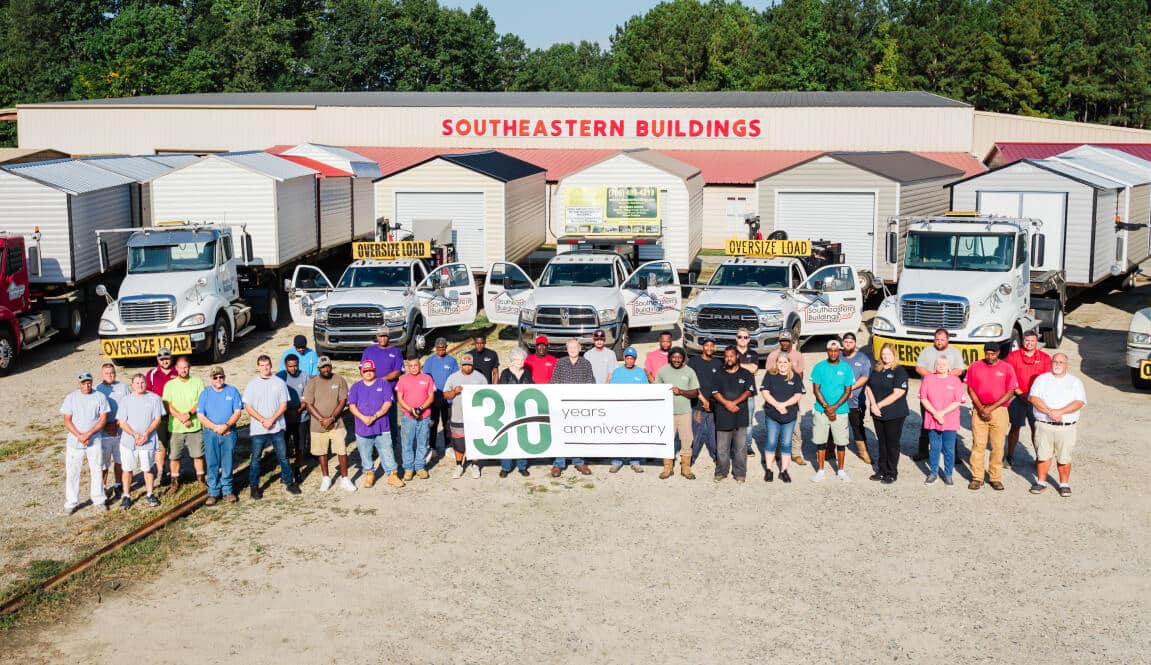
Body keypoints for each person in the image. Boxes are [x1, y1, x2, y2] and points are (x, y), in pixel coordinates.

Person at [1028, 353, 1086, 497]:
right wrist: (1050, 412)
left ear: (1066, 365)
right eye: (1055, 361)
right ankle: (1041, 481)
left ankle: (1064, 484)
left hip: (1066, 427)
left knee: (1064, 456)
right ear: (1051, 363)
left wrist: (1060, 412)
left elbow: (1079, 402)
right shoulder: (1042, 379)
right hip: (1044, 424)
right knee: (1043, 455)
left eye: (1061, 362)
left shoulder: (1075, 381)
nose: (1058, 364)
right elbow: (1034, 398)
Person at [244, 355, 300, 499]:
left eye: (267, 365)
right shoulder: (252, 384)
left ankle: (289, 482)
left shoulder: (279, 383)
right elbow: (248, 407)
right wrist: (263, 420)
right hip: (258, 429)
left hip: (277, 428)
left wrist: (272, 419)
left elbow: (284, 405)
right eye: (262, 365)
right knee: (256, 459)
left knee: (283, 456)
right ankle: (254, 486)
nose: (265, 368)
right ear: (258, 367)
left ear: (271, 365)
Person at [965, 343, 1018, 491]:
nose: (990, 356)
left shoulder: (1007, 368)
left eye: (993, 354)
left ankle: (995, 477)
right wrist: (981, 408)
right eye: (987, 353)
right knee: (978, 445)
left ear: (999, 353)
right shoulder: (975, 366)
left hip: (999, 410)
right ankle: (977, 477)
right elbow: (970, 388)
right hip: (979, 409)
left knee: (998, 446)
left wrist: (991, 408)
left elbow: (1010, 392)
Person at [348, 360, 403, 489]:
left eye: (370, 370)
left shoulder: (383, 384)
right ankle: (369, 473)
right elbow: (352, 406)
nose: (368, 373)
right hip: (362, 427)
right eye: (365, 371)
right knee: (365, 452)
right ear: (361, 372)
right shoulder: (356, 387)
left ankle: (392, 474)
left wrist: (375, 416)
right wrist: (363, 418)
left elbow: (387, 403)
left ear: (375, 371)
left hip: (381, 426)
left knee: (386, 450)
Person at [61, 371, 110, 514]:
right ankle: (71, 502)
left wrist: (88, 434)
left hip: (94, 440)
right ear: (79, 383)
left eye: (89, 382)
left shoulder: (100, 397)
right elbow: (67, 420)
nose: (86, 385)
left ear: (92, 382)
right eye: (84, 383)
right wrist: (79, 435)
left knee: (96, 469)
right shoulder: (71, 398)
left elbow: (102, 419)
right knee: (73, 471)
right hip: (75, 442)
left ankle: (99, 499)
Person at [913, 329, 966, 462]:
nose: (939, 342)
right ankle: (923, 451)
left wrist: (944, 377)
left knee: (950, 426)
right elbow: (919, 368)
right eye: (937, 339)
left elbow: (959, 370)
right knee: (927, 423)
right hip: (930, 394)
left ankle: (954, 454)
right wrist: (934, 377)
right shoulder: (927, 351)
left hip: (948, 396)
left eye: (942, 339)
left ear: (947, 339)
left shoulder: (955, 352)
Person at [303, 356, 353, 492]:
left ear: (331, 366)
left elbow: (343, 401)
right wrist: (321, 419)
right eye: (323, 367)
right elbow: (308, 404)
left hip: (336, 423)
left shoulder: (339, 380)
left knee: (341, 450)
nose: (326, 369)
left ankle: (345, 478)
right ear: (318, 368)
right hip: (317, 425)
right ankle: (326, 477)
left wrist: (331, 418)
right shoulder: (312, 383)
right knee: (321, 451)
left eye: (328, 366)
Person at [115, 373, 164, 509]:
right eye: (137, 383)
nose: (140, 385)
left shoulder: (154, 398)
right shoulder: (126, 400)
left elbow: (157, 419)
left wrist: (146, 434)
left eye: (142, 382)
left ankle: (150, 493)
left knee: (147, 469)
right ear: (132, 385)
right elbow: (122, 422)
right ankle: (126, 495)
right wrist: (135, 435)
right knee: (127, 469)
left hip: (148, 441)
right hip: (129, 442)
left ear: (146, 383)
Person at [196, 366, 244, 505]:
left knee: (227, 462)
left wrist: (226, 426)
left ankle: (228, 491)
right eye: (215, 377)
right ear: (211, 379)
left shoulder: (232, 391)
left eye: (221, 377)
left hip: (229, 432)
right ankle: (213, 492)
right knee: (212, 463)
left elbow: (237, 412)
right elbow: (200, 415)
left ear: (224, 377)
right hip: (211, 433)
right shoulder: (205, 394)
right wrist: (216, 427)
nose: (218, 380)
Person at [810, 340, 856, 482]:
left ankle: (841, 470)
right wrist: (826, 406)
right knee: (821, 441)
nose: (833, 353)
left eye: (836, 350)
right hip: (821, 410)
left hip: (840, 411)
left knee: (841, 442)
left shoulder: (846, 368)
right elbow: (815, 389)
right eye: (830, 350)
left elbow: (848, 390)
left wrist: (834, 407)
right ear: (827, 351)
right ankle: (821, 470)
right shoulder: (819, 367)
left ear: (840, 351)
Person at [1005, 331, 1052, 467]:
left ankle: (1039, 458)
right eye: (1027, 341)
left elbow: (1046, 381)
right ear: (1022, 341)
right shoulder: (1013, 356)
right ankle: (1010, 456)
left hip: (1036, 400)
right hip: (1017, 397)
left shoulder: (1045, 358)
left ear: (1037, 342)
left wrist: (1033, 397)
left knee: (1036, 429)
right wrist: (1020, 393)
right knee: (1014, 428)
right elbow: (1009, 378)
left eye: (1032, 341)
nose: (1029, 343)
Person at [865, 344, 910, 484]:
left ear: (894, 355)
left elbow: (898, 393)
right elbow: (868, 387)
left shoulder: (899, 371)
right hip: (877, 412)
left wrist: (879, 405)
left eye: (888, 354)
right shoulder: (876, 369)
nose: (885, 357)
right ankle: (881, 470)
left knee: (892, 443)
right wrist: (873, 405)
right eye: (883, 354)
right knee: (881, 443)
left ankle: (891, 472)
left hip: (894, 413)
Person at [551, 338, 595, 476]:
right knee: (562, 434)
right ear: (567, 349)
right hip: (563, 406)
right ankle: (558, 463)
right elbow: (554, 383)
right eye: (570, 347)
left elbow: (590, 384)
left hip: (579, 406)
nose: (572, 350)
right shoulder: (560, 363)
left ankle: (579, 462)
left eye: (575, 347)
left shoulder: (586, 363)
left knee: (578, 434)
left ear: (580, 348)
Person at [161, 356, 206, 494]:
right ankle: (174, 483)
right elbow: (167, 404)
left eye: (185, 367)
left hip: (194, 426)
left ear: (189, 367)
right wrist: (180, 416)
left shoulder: (197, 382)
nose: (183, 370)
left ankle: (201, 480)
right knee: (174, 456)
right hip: (176, 427)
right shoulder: (170, 385)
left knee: (198, 455)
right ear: (176, 368)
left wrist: (188, 414)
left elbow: (201, 401)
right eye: (180, 368)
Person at [919, 356, 965, 485]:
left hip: (950, 420)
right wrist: (935, 413)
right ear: (935, 366)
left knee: (949, 448)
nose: (941, 366)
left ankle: (948, 474)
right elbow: (923, 398)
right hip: (932, 419)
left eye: (944, 364)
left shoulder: (955, 380)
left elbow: (958, 401)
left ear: (949, 367)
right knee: (934, 447)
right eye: (938, 363)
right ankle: (933, 472)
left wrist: (942, 413)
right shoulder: (928, 379)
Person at [711, 346, 754, 482]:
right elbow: (715, 392)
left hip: (740, 417)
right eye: (726, 356)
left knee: (740, 448)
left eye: (731, 356)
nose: (729, 358)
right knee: (722, 448)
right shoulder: (718, 373)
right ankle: (721, 472)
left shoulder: (746, 374)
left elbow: (748, 391)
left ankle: (740, 473)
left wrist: (734, 402)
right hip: (723, 416)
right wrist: (727, 404)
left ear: (737, 357)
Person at [656, 347, 700, 480]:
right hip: (667, 413)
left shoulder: (689, 371)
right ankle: (667, 467)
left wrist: (681, 391)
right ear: (670, 357)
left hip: (684, 413)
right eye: (674, 357)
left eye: (679, 357)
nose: (676, 359)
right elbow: (657, 389)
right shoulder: (663, 371)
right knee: (667, 440)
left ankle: (685, 467)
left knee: (687, 440)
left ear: (683, 359)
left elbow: (695, 392)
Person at [443, 354, 489, 478]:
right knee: (459, 443)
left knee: (474, 442)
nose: (467, 367)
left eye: (469, 365)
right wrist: (454, 391)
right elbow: (446, 395)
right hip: (458, 416)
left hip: (475, 418)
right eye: (464, 365)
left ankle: (475, 465)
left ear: (472, 364)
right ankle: (459, 465)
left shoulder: (480, 378)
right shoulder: (453, 377)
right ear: (461, 365)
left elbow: (488, 394)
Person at [760, 354, 805, 483]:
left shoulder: (795, 377)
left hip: (789, 416)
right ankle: (768, 470)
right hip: (772, 415)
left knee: (786, 443)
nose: (783, 364)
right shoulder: (770, 375)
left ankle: (783, 471)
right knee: (771, 441)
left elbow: (798, 395)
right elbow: (765, 392)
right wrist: (777, 405)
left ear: (789, 363)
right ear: (776, 363)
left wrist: (784, 405)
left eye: (785, 362)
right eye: (780, 362)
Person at [765, 333, 807, 465]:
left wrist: (794, 390)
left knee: (795, 426)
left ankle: (795, 453)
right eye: (782, 340)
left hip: (792, 395)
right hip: (776, 397)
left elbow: (800, 374)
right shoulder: (772, 355)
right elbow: (770, 375)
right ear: (779, 341)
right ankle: (775, 453)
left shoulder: (797, 355)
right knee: (775, 426)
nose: (784, 343)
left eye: (787, 341)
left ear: (791, 341)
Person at [362, 328, 404, 453]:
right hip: (372, 391)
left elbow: (397, 372)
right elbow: (362, 369)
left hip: (389, 391)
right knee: (374, 417)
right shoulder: (369, 351)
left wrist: (380, 380)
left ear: (389, 337)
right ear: (377, 337)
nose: (383, 338)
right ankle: (375, 447)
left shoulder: (395, 351)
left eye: (385, 336)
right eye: (380, 336)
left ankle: (392, 444)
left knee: (390, 418)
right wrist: (371, 382)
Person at [608, 347, 649, 474]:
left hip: (635, 410)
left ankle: (634, 461)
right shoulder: (617, 372)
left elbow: (646, 391)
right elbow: (612, 391)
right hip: (620, 410)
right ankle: (616, 461)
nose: (629, 360)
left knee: (634, 435)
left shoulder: (640, 373)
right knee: (618, 435)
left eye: (632, 358)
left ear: (635, 359)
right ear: (624, 359)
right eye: (627, 358)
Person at [396, 356, 436, 480]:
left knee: (422, 443)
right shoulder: (402, 379)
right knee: (407, 443)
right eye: (411, 366)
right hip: (408, 417)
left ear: (420, 366)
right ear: (408, 367)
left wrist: (421, 408)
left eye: (416, 365)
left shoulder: (427, 378)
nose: (414, 368)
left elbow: (431, 397)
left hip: (424, 416)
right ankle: (408, 468)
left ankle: (420, 467)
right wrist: (410, 409)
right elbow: (400, 398)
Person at [497, 347, 533, 478]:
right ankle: (505, 467)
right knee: (508, 438)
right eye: (517, 359)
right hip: (508, 412)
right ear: (512, 361)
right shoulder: (505, 373)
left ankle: (522, 465)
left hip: (523, 411)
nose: (520, 362)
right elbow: (501, 392)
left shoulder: (527, 373)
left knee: (522, 438)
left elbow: (532, 389)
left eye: (522, 359)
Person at [94, 363, 129, 501]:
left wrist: (118, 422)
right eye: (107, 373)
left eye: (112, 372)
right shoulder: (97, 389)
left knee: (120, 460)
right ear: (102, 374)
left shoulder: (123, 387)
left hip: (121, 431)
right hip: (104, 433)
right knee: (103, 462)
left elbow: (129, 406)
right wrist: (105, 426)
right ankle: (102, 486)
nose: (110, 375)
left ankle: (118, 483)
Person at [276, 354, 311, 483]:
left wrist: (298, 410)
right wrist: (287, 411)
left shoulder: (304, 376)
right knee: (283, 446)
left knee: (300, 446)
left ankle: (297, 469)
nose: (293, 368)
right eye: (290, 366)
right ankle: (285, 471)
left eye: (296, 365)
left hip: (301, 417)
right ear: (286, 366)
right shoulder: (279, 377)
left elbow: (308, 396)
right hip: (284, 418)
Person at [687, 338, 722, 464]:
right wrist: (703, 400)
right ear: (702, 347)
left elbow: (719, 384)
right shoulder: (694, 361)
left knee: (713, 434)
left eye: (711, 346)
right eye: (706, 345)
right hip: (698, 405)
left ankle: (716, 457)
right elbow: (691, 382)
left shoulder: (718, 363)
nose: (709, 348)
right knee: (696, 434)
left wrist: (711, 403)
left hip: (713, 406)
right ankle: (690, 458)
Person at [145, 347, 176, 484]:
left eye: (167, 358)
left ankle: (175, 472)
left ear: (171, 358)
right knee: (161, 446)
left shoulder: (177, 371)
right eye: (161, 359)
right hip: (160, 416)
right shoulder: (152, 374)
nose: (164, 361)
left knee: (175, 445)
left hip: (176, 415)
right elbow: (147, 395)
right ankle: (161, 472)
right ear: (157, 359)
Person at [424, 337, 459, 459]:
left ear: (446, 347)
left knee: (448, 423)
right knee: (433, 423)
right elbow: (426, 378)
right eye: (438, 348)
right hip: (433, 398)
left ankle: (448, 446)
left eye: (443, 348)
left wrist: (451, 394)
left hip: (447, 398)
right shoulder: (429, 361)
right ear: (435, 348)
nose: (440, 350)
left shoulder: (452, 361)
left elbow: (455, 378)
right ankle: (432, 447)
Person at [841, 332, 873, 465]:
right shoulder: (837, 357)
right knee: (833, 425)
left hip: (856, 401)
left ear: (855, 344)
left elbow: (865, 377)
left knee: (858, 426)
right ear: (843, 343)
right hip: (838, 401)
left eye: (851, 342)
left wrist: (850, 389)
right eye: (846, 342)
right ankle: (830, 450)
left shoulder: (863, 358)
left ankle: (863, 452)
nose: (848, 345)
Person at [734, 327, 760, 456]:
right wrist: (745, 366)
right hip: (733, 393)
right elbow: (727, 367)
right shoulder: (731, 352)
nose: (742, 339)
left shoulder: (753, 354)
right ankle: (734, 446)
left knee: (748, 422)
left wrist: (737, 364)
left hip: (749, 392)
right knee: (733, 420)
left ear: (749, 339)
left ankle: (748, 446)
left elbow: (754, 368)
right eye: (740, 337)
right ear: (736, 338)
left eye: (745, 337)